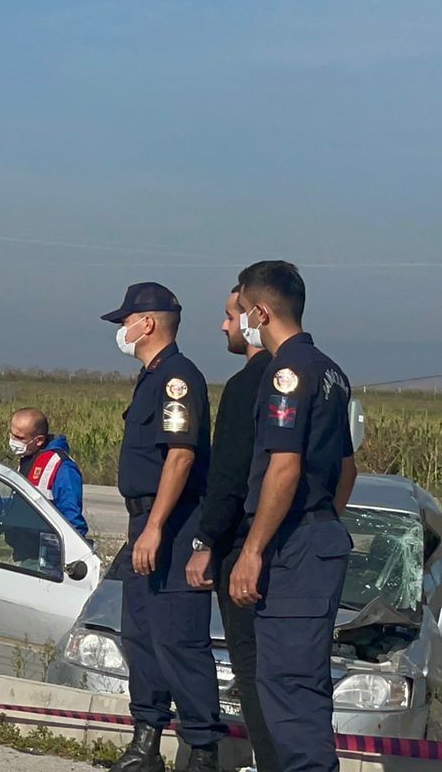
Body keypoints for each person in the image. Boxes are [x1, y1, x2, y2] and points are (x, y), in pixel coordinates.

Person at [229, 262, 357, 772]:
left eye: (241, 312)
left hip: (292, 547)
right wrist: (322, 518)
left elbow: (283, 468)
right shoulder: (331, 371)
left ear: (261, 311)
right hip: (317, 537)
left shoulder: (285, 373)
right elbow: (346, 468)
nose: (239, 323)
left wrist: (254, 550)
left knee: (288, 689)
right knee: (303, 686)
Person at [102, 282, 218, 772]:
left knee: (179, 639)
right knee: (141, 636)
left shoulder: (177, 378)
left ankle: (201, 751)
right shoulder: (151, 377)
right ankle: (145, 740)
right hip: (144, 520)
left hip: (170, 523)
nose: (122, 331)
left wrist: (155, 528)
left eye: (126, 321)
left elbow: (181, 455)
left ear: (146, 323)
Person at [185, 287, 280, 772]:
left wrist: (206, 543)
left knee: (251, 666)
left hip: (246, 545)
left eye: (229, 316)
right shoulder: (312, 378)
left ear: (254, 318)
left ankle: (268, 761)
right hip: (293, 546)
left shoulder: (248, 385)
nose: (223, 326)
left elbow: (228, 476)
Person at [8, 408, 88, 541]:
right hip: (23, 547)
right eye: (12, 434)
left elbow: (72, 519)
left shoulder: (62, 467)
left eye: (19, 438)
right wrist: (5, 507)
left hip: (45, 553)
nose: (13, 441)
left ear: (38, 440)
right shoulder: (27, 458)